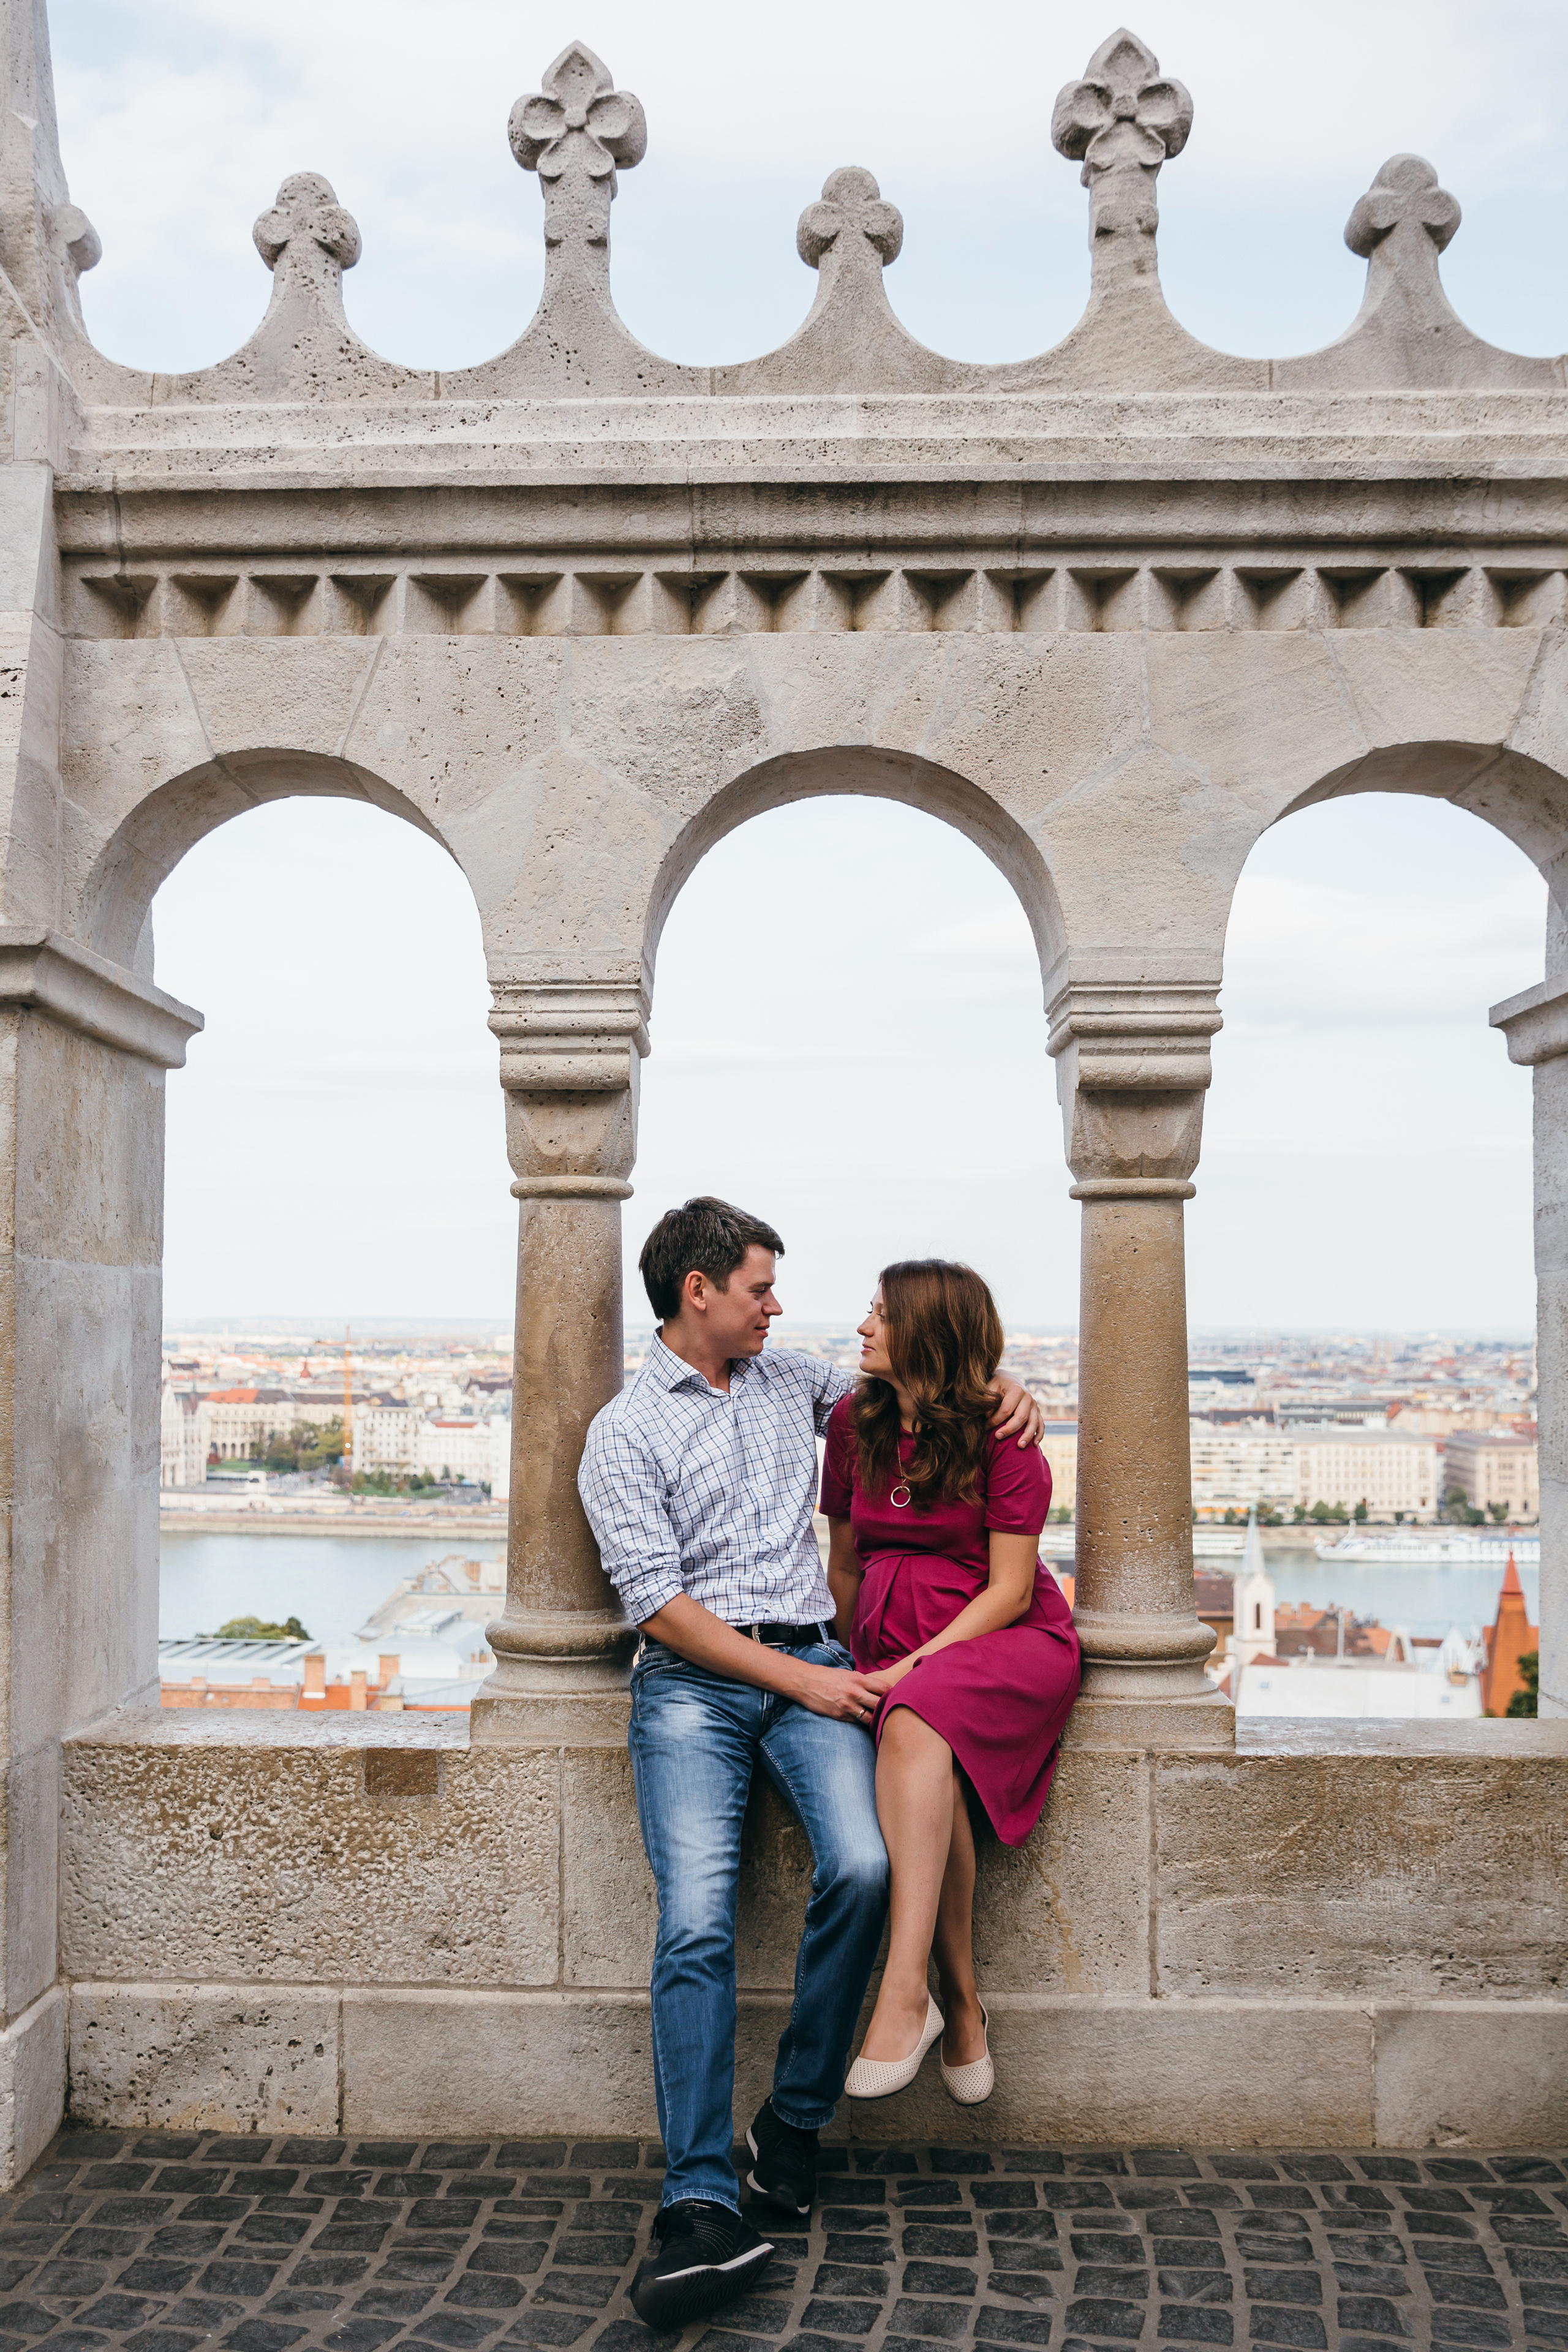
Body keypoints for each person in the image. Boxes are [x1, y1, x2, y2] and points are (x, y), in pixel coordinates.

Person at [576, 1198, 1044, 2330]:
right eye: (760, 1289)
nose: (778, 1308)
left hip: (817, 1669)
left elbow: (927, 1392)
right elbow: (659, 1608)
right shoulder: (623, 1433)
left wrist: (1008, 1386)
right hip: (697, 1686)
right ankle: (698, 2198)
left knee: (867, 1870)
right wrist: (806, 1682)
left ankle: (790, 2123)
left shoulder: (798, 1387)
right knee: (697, 1921)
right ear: (699, 1292)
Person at [822, 1259, 1081, 2105]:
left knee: (915, 1713)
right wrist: (843, 1657)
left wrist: (908, 1668)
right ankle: (962, 2001)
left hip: (1004, 1640)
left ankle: (904, 1995)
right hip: (889, 1641)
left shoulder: (1005, 1440)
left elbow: (1010, 1591)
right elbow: (845, 1563)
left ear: (929, 1334)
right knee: (929, 1771)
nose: (863, 1327)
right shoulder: (851, 1424)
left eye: (881, 1314)